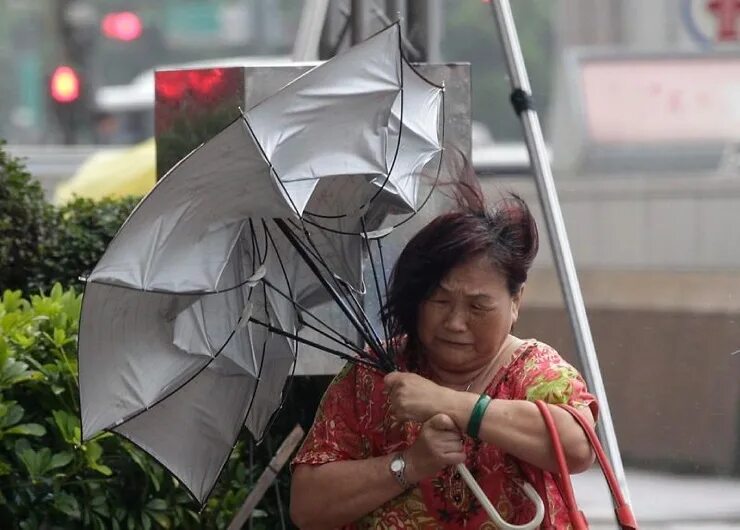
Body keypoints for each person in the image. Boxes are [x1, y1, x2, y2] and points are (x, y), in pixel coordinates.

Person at [289, 185, 598, 529]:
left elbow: (576, 445)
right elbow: (307, 505)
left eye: (478, 306)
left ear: (515, 302)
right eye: (439, 301)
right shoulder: (372, 376)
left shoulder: (534, 370)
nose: (455, 323)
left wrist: (449, 403)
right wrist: (410, 464)